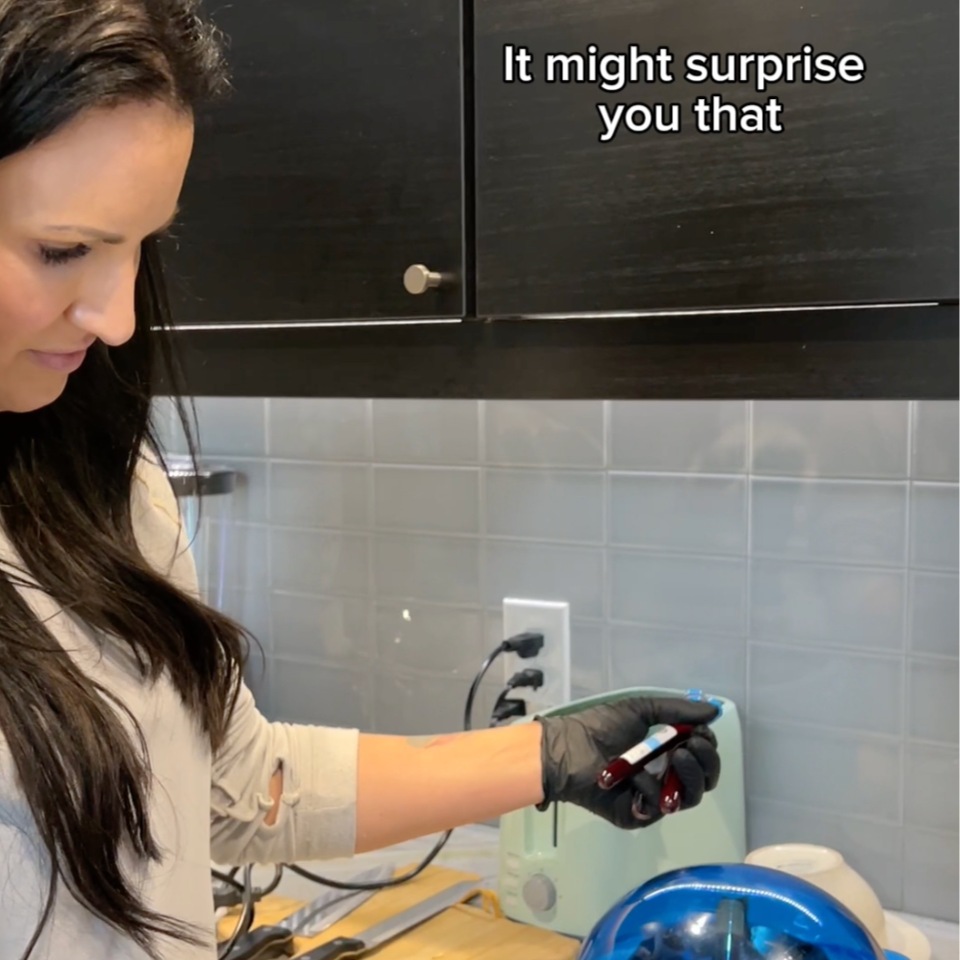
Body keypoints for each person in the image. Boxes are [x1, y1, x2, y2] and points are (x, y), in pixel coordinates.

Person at [0, 2, 723, 958]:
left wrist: (545, 757)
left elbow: (231, 788)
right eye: (63, 250)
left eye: (143, 244)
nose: (120, 318)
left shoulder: (100, 477)